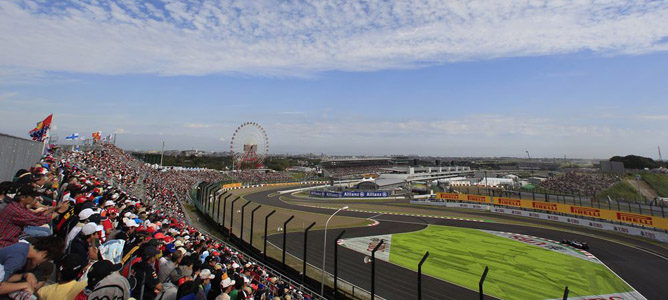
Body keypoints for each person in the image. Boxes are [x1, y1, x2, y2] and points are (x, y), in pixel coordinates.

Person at [0, 236, 64, 296]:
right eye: (46, 260)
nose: (40, 263)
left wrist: (24, 275)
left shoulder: (24, 247)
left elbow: (5, 277)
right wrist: (24, 285)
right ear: (44, 254)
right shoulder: (19, 258)